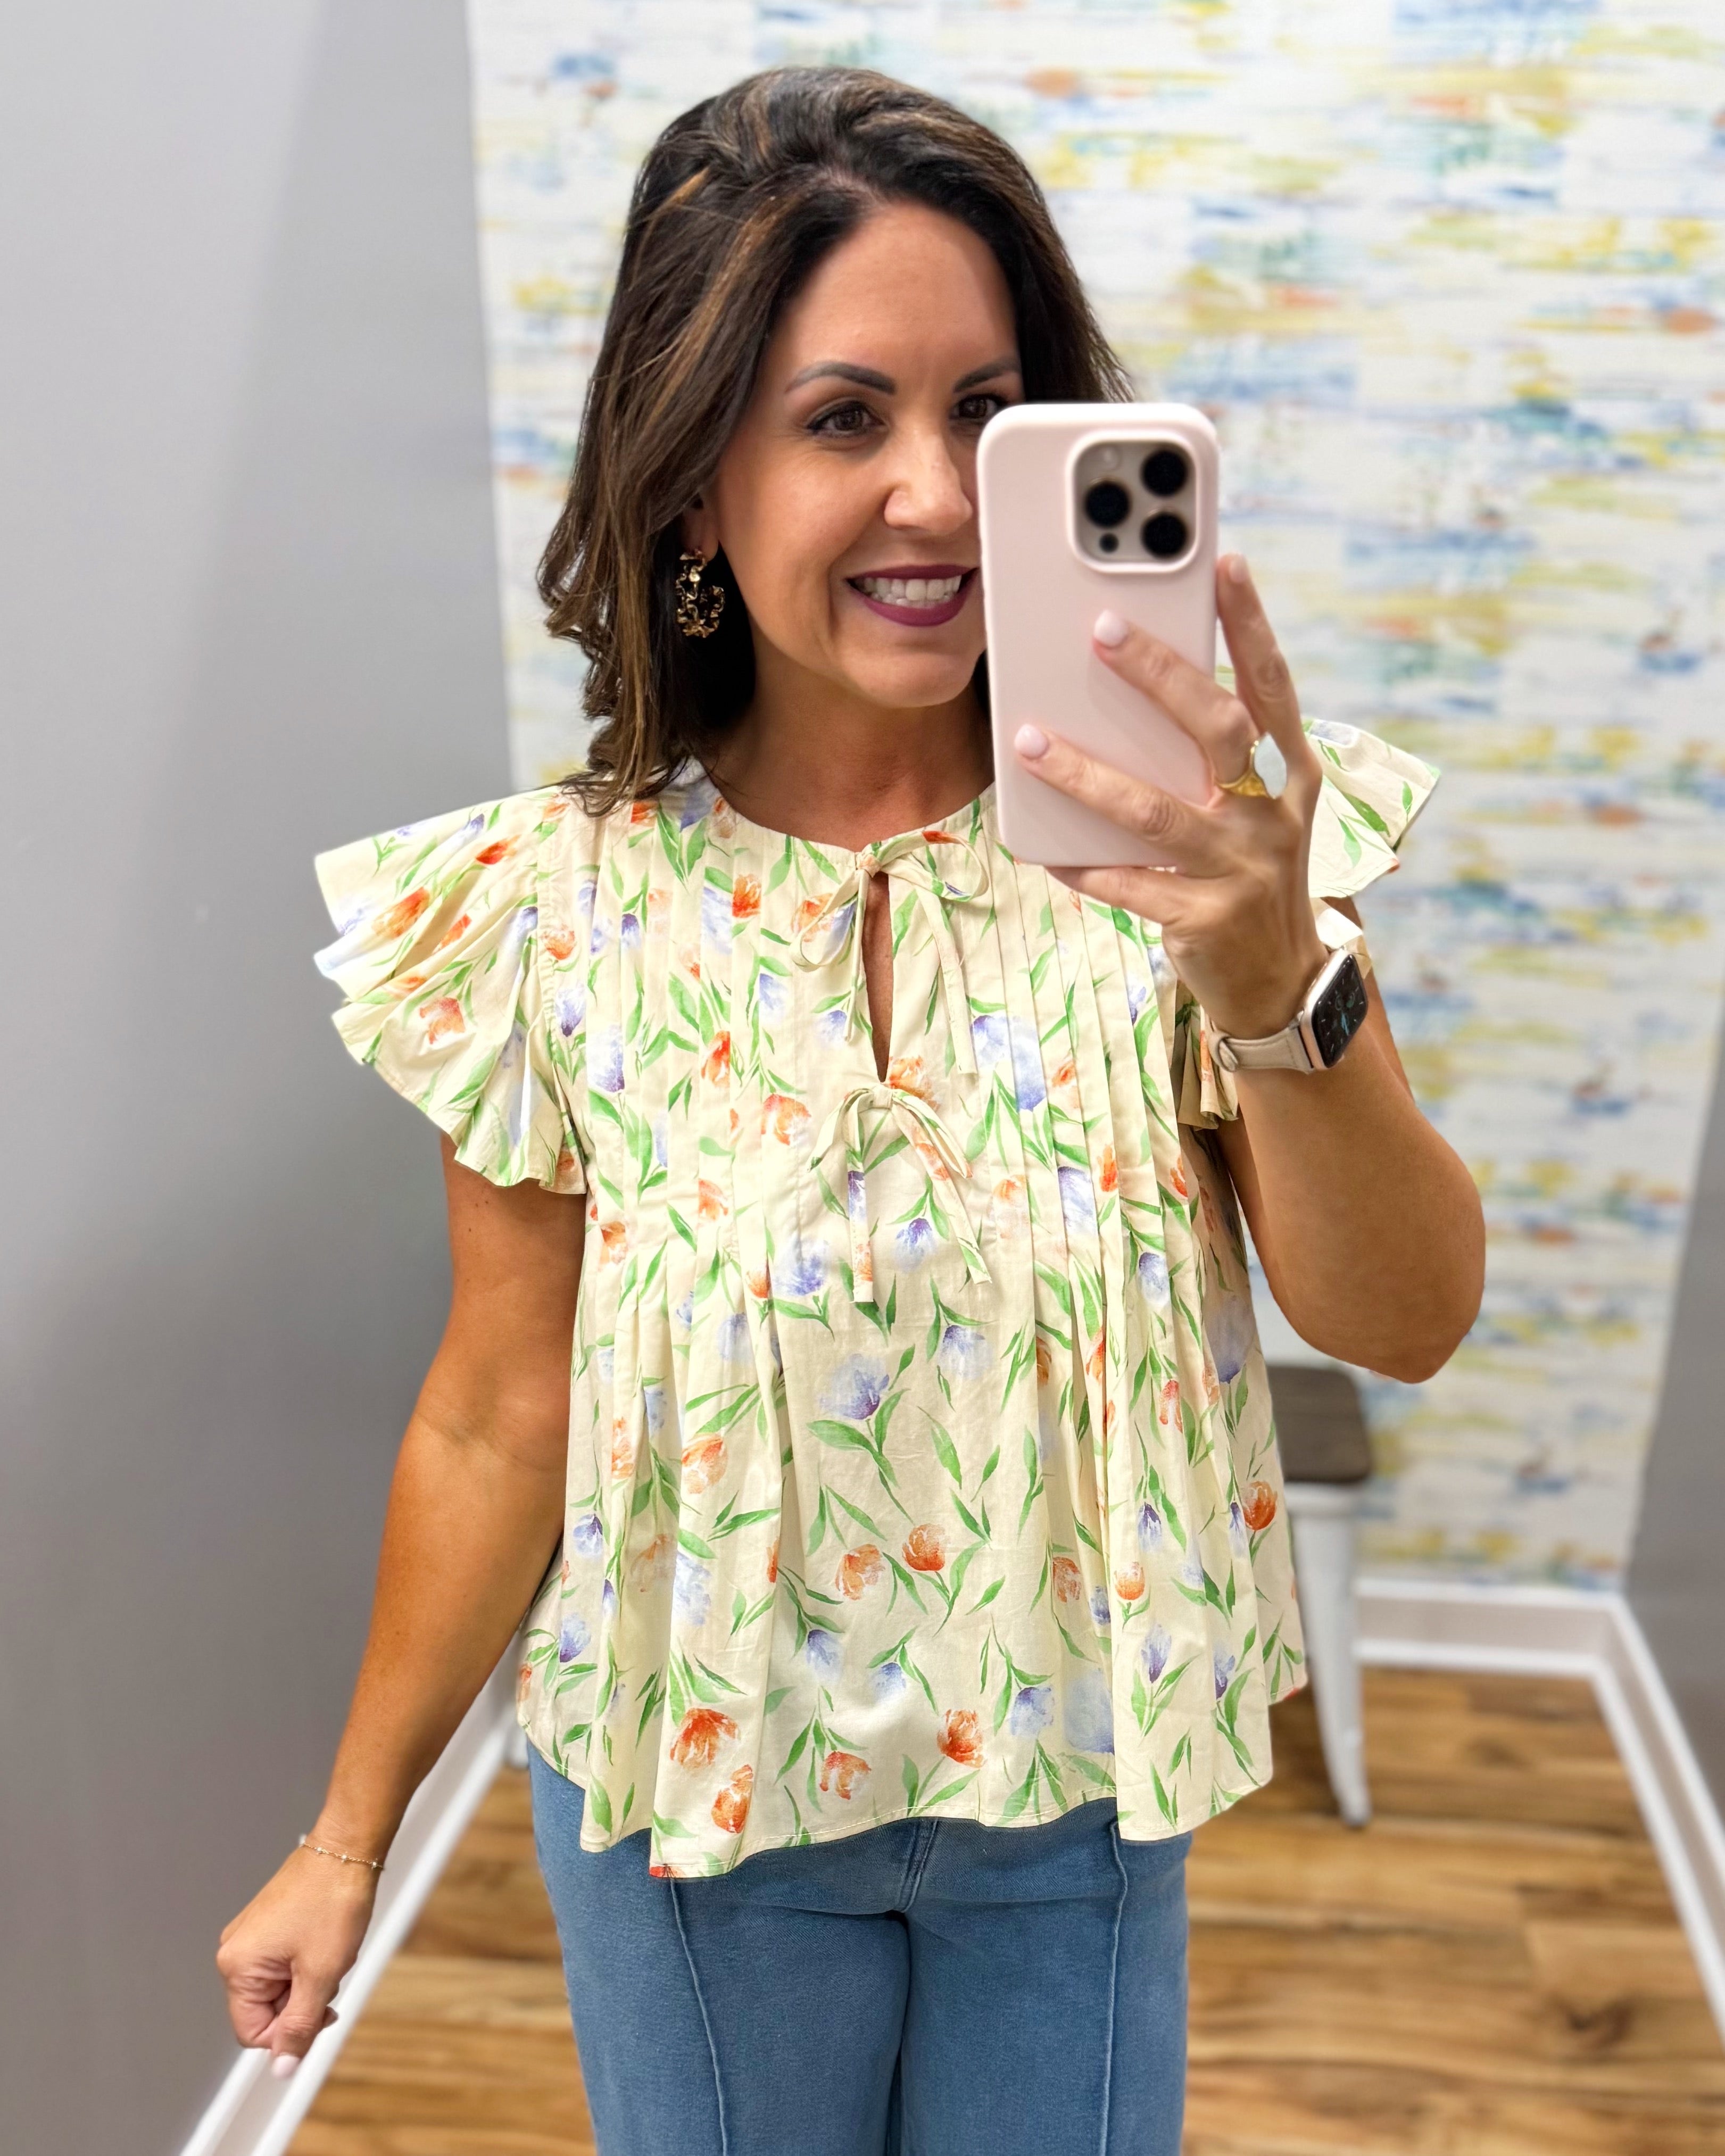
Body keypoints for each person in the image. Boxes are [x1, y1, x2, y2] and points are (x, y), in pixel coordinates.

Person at [216, 65, 1483, 2156]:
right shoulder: (551, 909)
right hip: (691, 1818)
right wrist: (345, 1836)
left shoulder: (1202, 859)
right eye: (841, 418)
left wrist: (1275, 983)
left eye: (988, 411)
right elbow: (499, 1410)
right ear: (688, 483)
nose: (935, 493)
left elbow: (1403, 1317)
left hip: (1073, 1805)